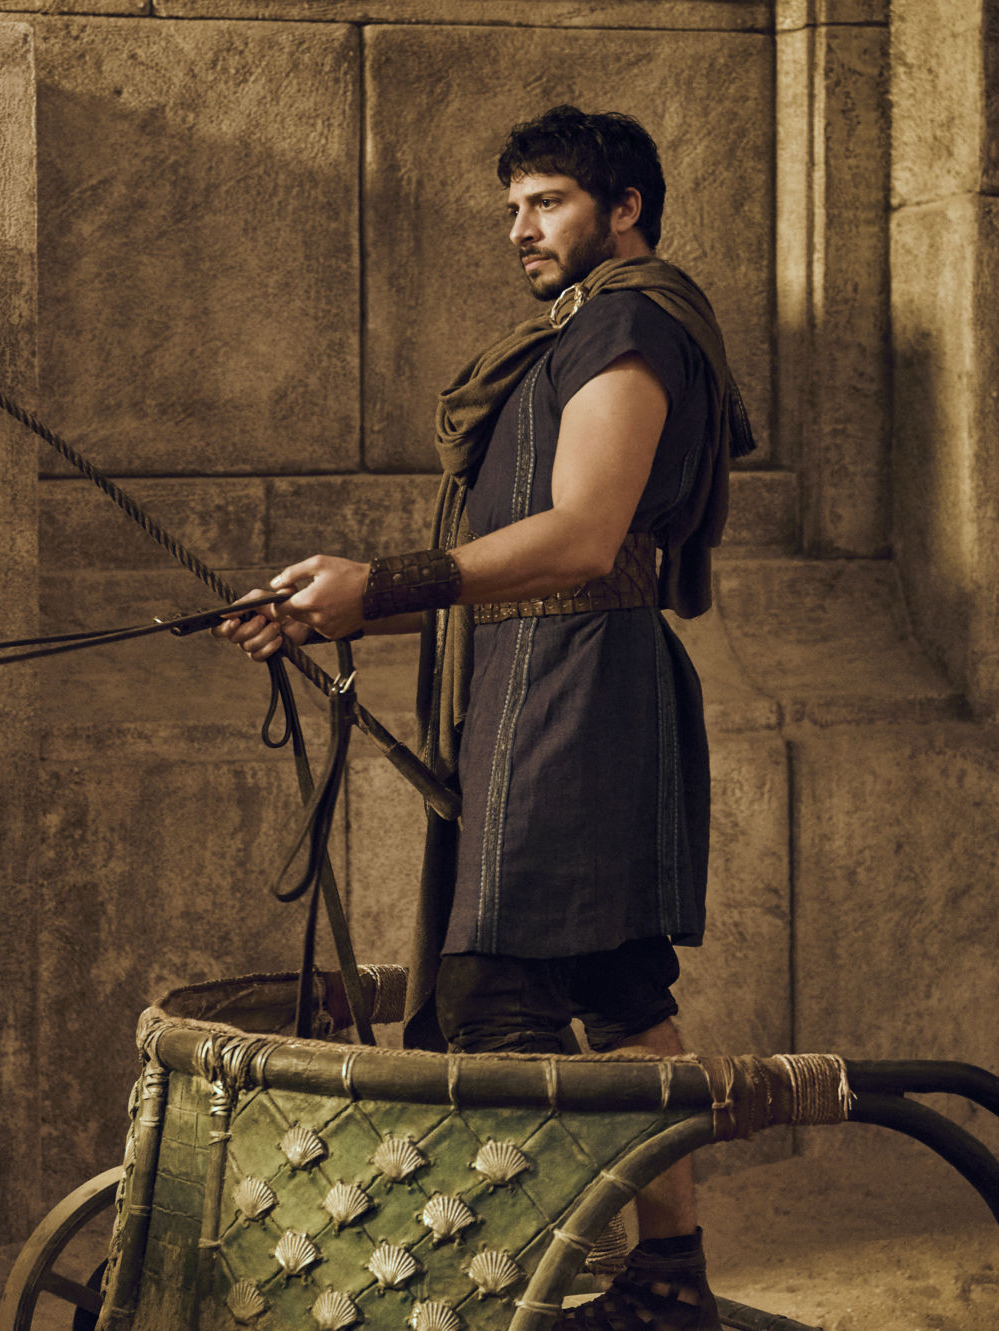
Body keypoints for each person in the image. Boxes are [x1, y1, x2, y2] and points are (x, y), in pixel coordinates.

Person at [218, 106, 753, 1331]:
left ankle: (485, 1294)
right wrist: (327, 611)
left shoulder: (629, 320)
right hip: (537, 677)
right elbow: (518, 568)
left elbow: (583, 538)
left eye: (546, 201)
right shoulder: (577, 327)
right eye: (512, 206)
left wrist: (381, 584)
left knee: (495, 994)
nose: (519, 228)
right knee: (616, 984)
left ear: (624, 208)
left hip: (575, 695)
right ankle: (669, 1275)